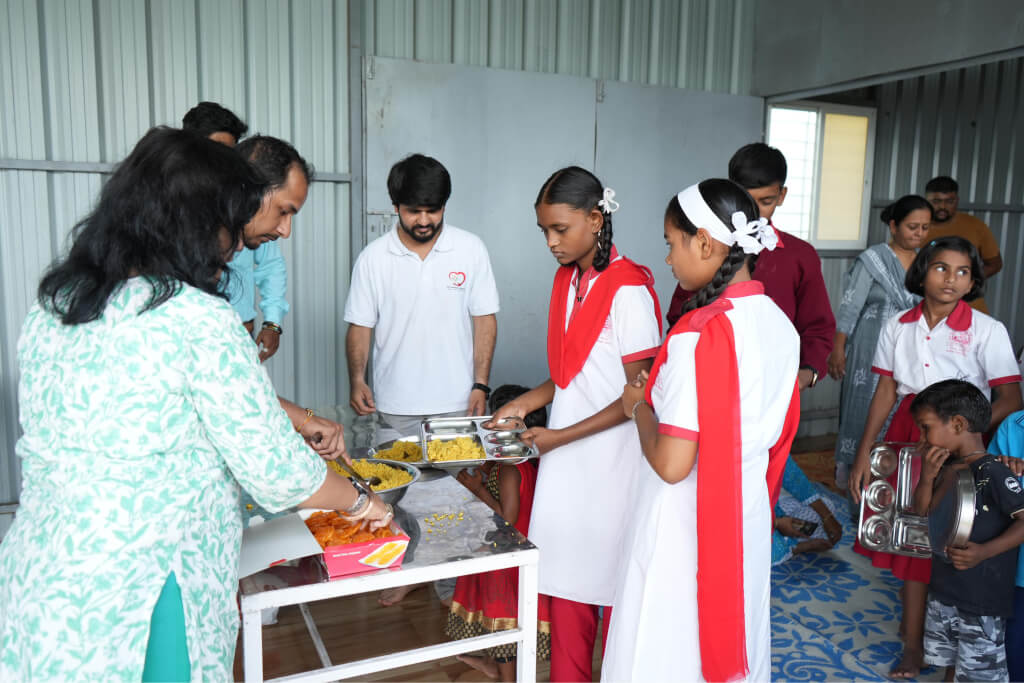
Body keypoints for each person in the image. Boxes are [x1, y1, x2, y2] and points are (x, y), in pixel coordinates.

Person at [0, 127, 392, 681]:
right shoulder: (195, 319)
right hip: (149, 591)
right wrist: (361, 503)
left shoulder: (57, 307)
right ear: (200, 222)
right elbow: (278, 472)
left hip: (45, 582)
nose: (236, 244)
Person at [603, 179, 801, 682]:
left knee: (666, 643)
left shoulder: (699, 334)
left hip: (685, 520)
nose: (669, 258)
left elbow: (673, 464)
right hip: (745, 509)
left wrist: (638, 407)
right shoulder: (781, 325)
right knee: (738, 627)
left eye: (673, 243)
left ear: (706, 243)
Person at [489, 167, 662, 682]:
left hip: (612, 464)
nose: (551, 241)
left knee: (610, 586)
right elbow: (572, 375)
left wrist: (558, 437)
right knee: (566, 586)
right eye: (544, 230)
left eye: (560, 229)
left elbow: (637, 398)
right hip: (565, 461)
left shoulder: (629, 291)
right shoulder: (568, 279)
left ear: (595, 220)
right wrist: (524, 403)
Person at [849, 236, 1022, 678]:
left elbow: (1009, 397)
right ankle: (914, 646)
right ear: (921, 270)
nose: (951, 279)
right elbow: (886, 390)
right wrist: (865, 452)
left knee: (954, 540)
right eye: (941, 268)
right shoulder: (899, 325)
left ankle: (953, 657)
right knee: (914, 541)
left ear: (973, 281)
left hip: (962, 441)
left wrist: (965, 437)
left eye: (963, 272)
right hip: (912, 435)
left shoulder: (987, 330)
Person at [344, 153, 499, 606]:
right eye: (415, 211)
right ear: (395, 206)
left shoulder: (471, 249)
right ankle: (410, 572)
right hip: (396, 403)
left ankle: (453, 587)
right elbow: (360, 326)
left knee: (458, 499)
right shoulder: (374, 259)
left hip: (457, 404)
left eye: (434, 210)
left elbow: (485, 320)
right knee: (403, 500)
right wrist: (357, 379)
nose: (425, 220)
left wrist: (480, 383)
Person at [666, 142, 835, 393]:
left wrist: (806, 375)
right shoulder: (707, 251)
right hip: (707, 382)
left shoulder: (800, 256)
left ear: (782, 195)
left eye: (765, 201)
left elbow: (818, 328)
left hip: (775, 389)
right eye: (746, 201)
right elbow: (679, 316)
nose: (754, 213)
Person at [909, 380, 1024, 683]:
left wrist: (984, 552)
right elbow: (922, 511)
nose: (922, 439)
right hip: (945, 591)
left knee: (977, 673)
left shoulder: (994, 472)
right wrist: (927, 477)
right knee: (952, 664)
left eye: (926, 428)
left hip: (982, 599)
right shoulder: (946, 468)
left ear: (958, 424)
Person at [446, 385, 551, 682]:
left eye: (494, 421)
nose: (489, 427)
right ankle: (495, 665)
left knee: (503, 618)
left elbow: (508, 519)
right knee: (507, 615)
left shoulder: (509, 470)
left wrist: (477, 488)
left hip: (507, 555)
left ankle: (507, 676)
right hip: (518, 550)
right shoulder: (524, 460)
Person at [828, 195, 931, 488]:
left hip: (911, 346)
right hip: (871, 346)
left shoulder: (927, 262)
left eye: (925, 228)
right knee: (865, 407)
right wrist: (838, 347)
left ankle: (892, 479)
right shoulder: (873, 259)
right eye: (912, 226)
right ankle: (857, 478)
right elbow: (851, 305)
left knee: (902, 407)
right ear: (894, 225)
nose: (919, 233)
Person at [182, 102, 290, 362]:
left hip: (240, 333)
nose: (224, 162)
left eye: (230, 152)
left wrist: (272, 322)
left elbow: (270, 264)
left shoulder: (248, 202)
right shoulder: (170, 206)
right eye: (215, 150)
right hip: (187, 341)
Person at [924, 175, 1002, 314]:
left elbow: (995, 264)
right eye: (936, 201)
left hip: (970, 308)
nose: (942, 207)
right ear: (926, 201)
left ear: (957, 201)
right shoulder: (916, 226)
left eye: (949, 201)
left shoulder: (975, 226)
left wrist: (966, 280)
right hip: (927, 306)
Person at [989, 409, 1024, 682]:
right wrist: (1002, 469)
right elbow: (984, 480)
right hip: (1016, 570)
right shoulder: (1014, 426)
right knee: (1014, 645)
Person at [772, 459, 844, 564]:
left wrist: (827, 516)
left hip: (773, 508)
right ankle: (794, 547)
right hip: (751, 525)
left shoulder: (772, 450)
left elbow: (792, 475)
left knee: (826, 506)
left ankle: (785, 540)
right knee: (758, 553)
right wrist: (777, 523)